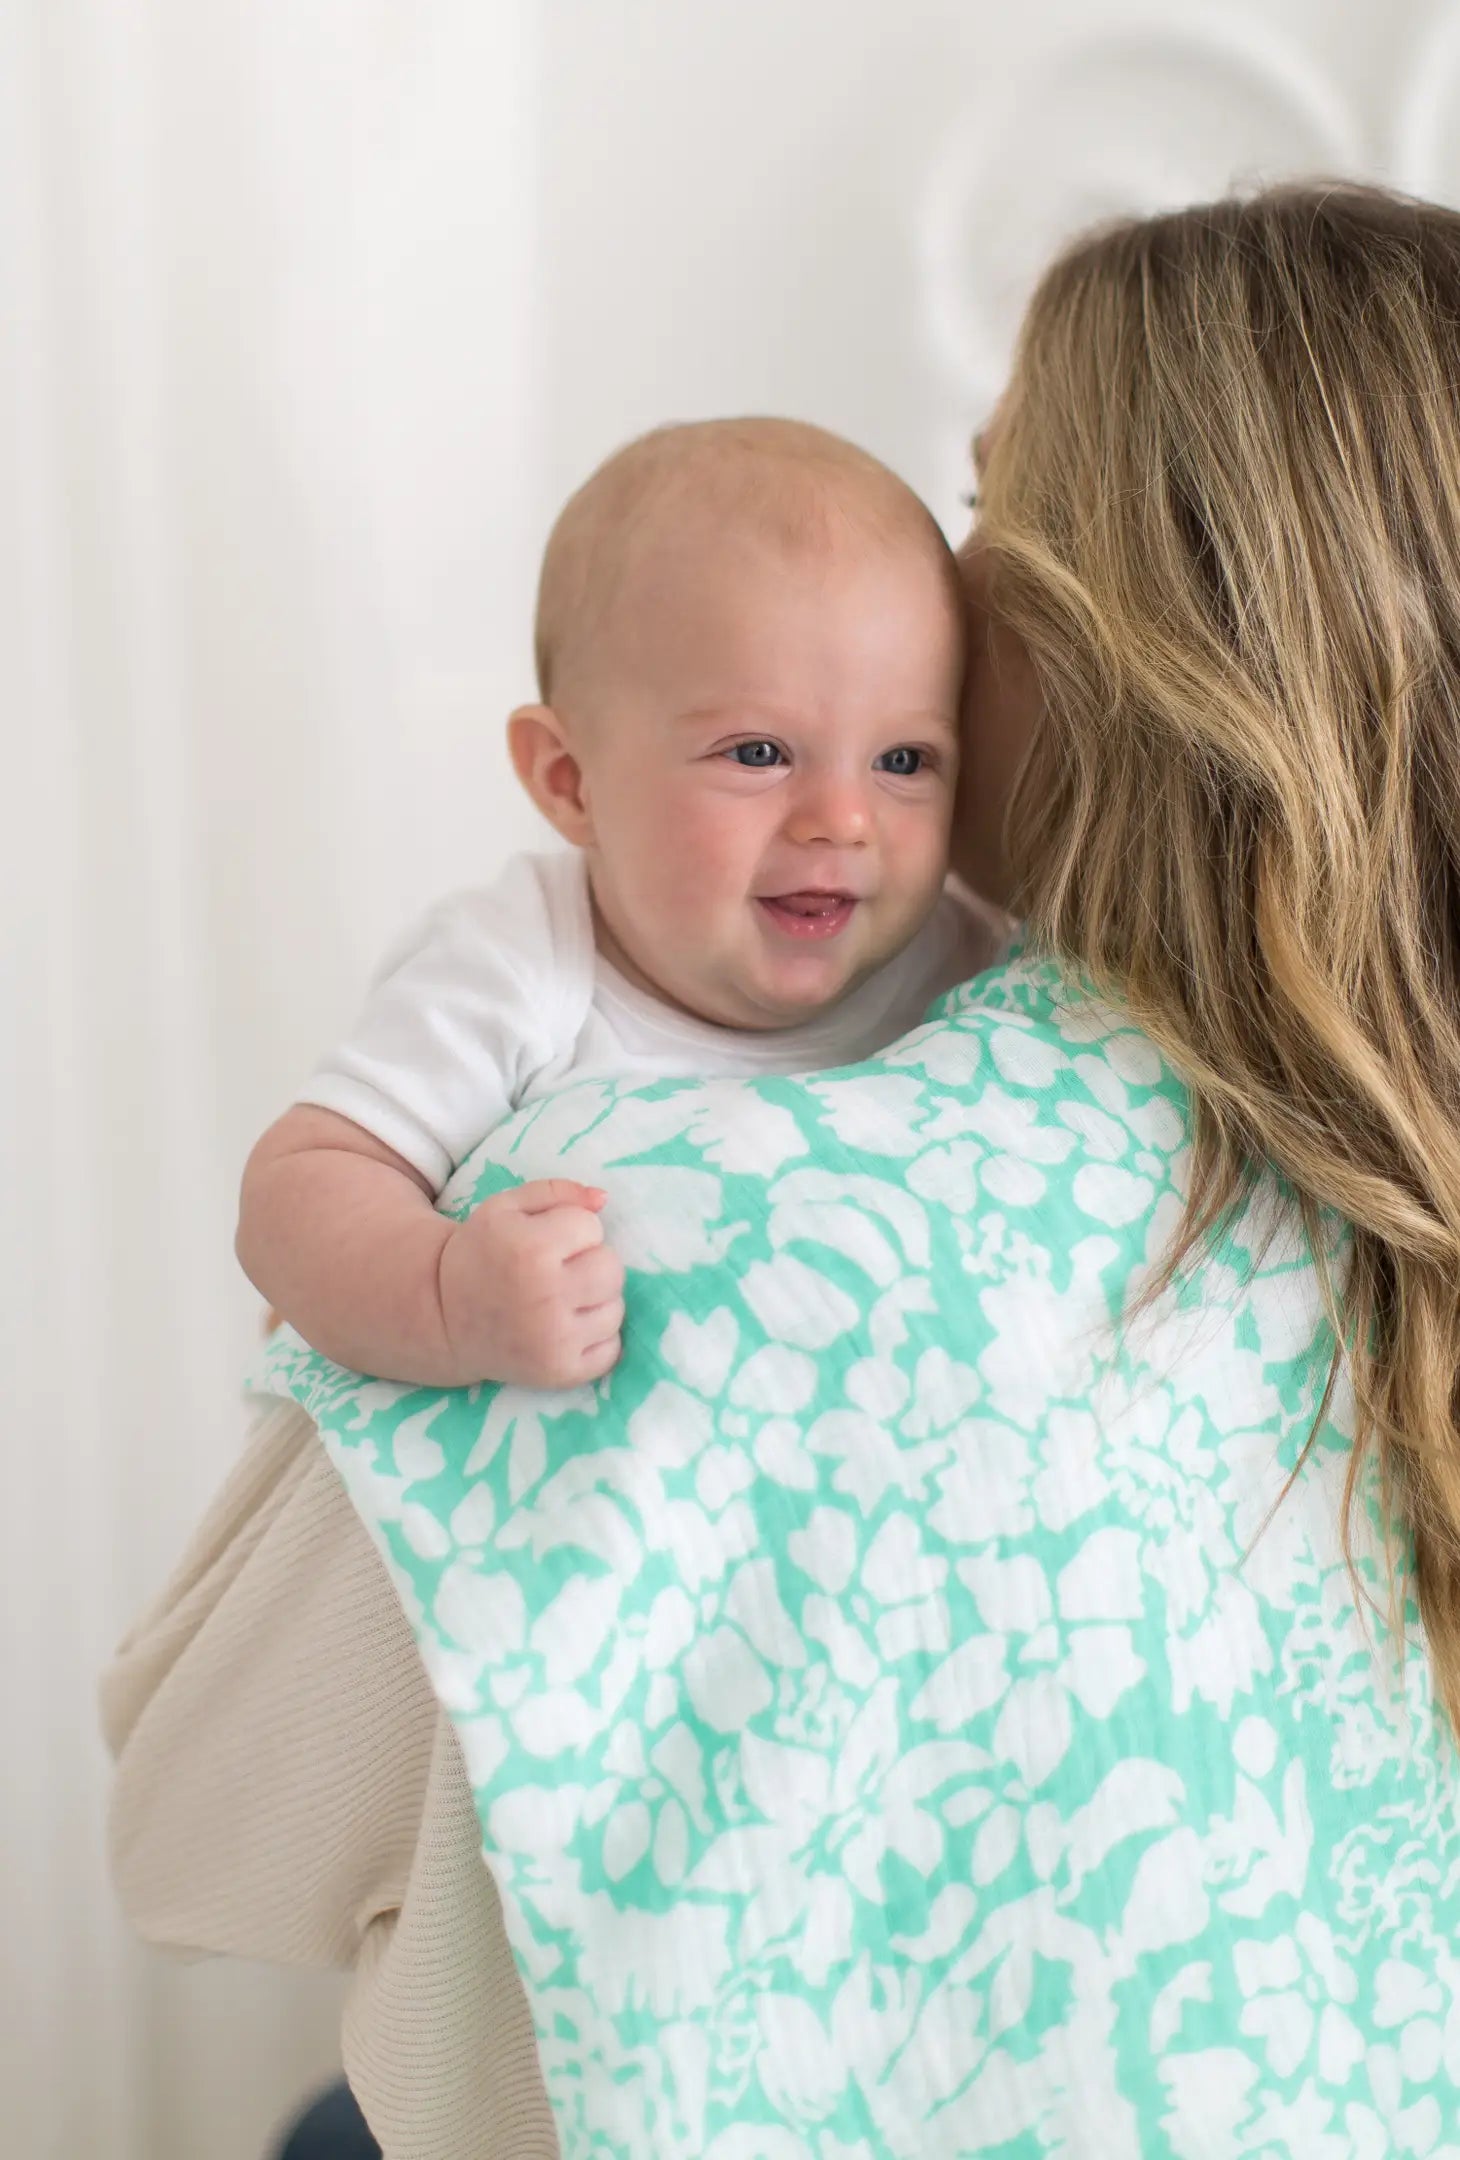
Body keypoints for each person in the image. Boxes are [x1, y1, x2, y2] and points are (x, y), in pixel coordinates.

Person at [105, 182, 1460, 2157]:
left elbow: (198, 1833)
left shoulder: (661, 1207)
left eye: (992, 527)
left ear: (1126, 651)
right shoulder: (1370, 1190)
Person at [235, 417, 1001, 1390]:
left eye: (903, 761)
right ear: (570, 781)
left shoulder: (969, 964)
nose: (842, 820)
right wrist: (444, 1297)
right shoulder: (519, 968)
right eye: (757, 753)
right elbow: (298, 1184)